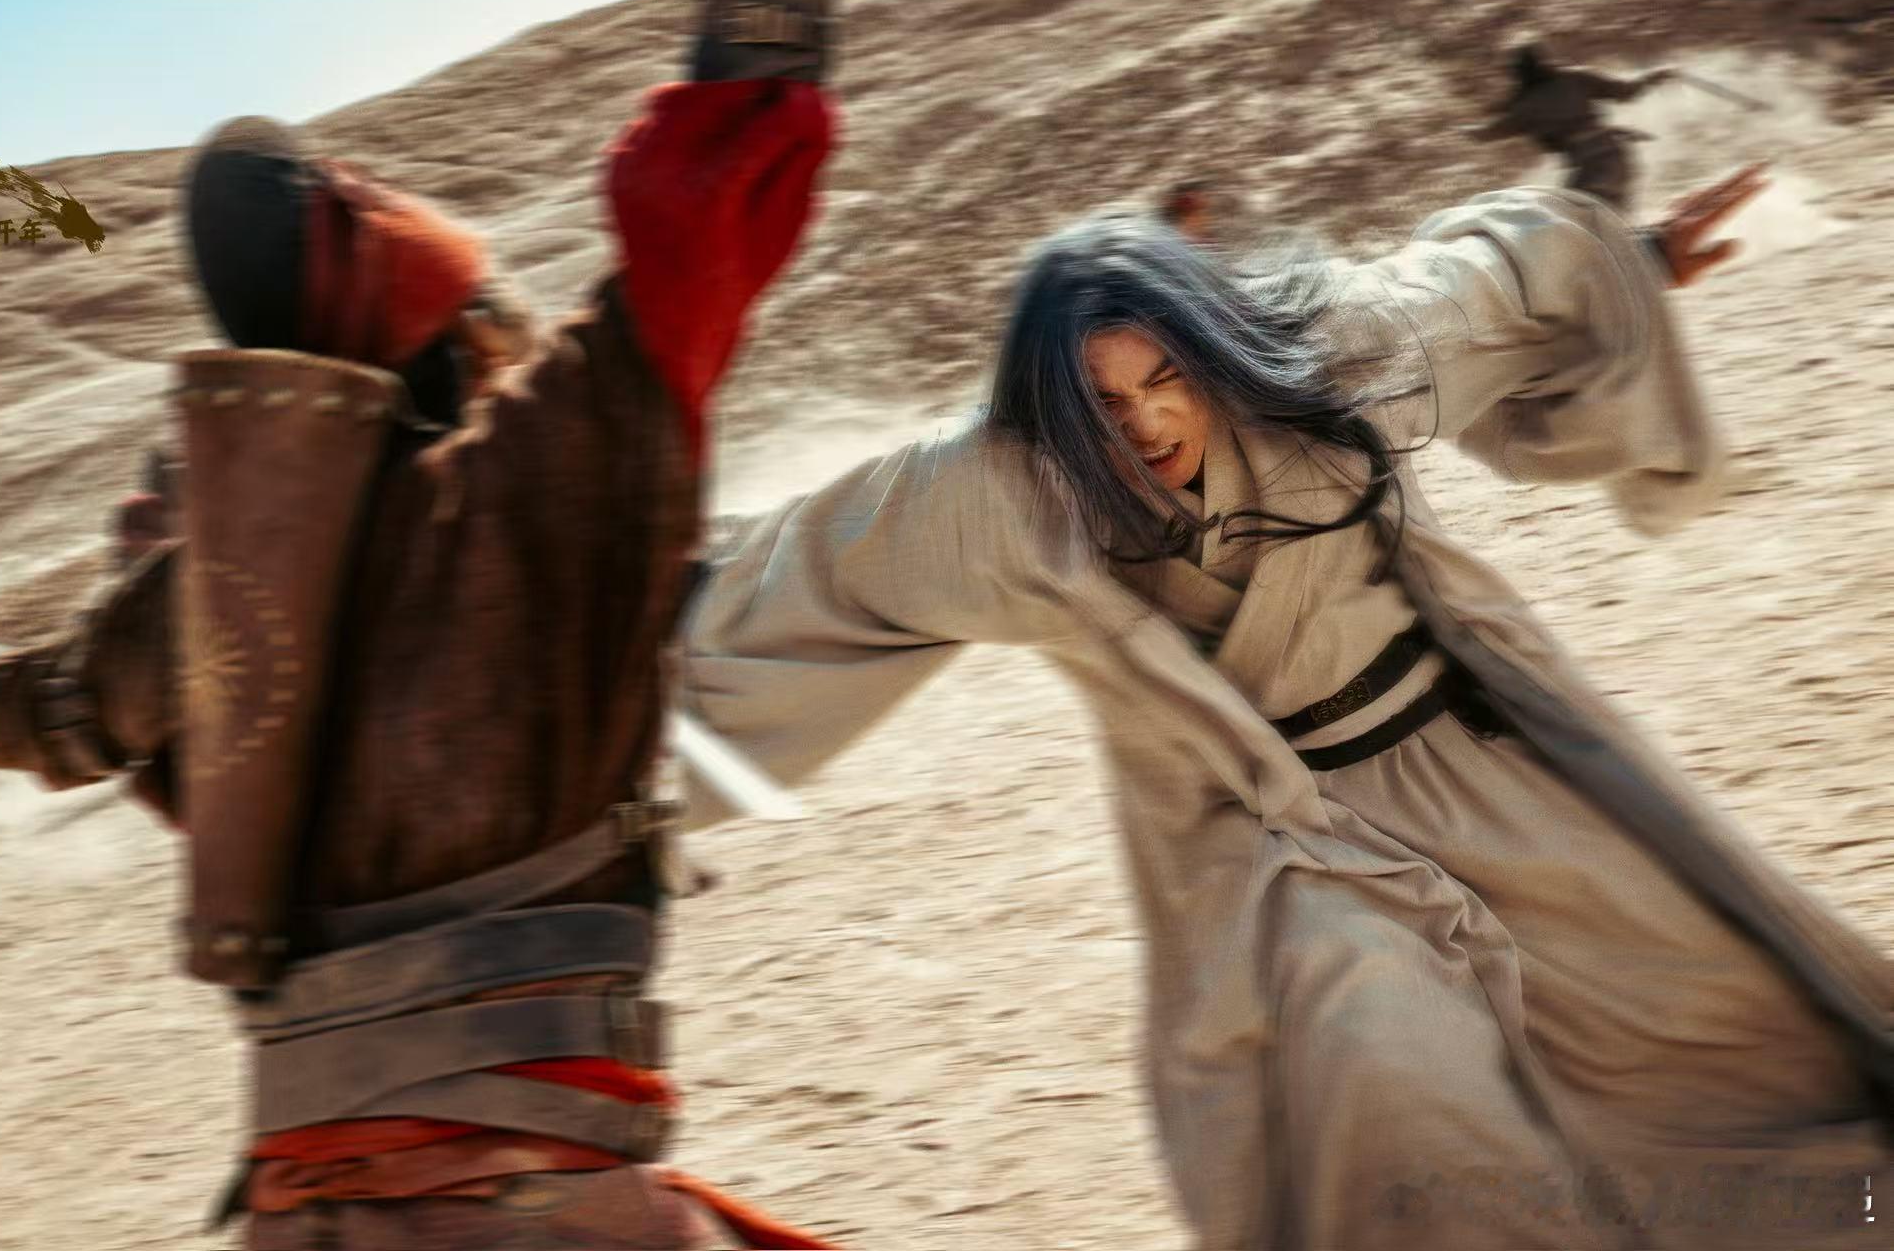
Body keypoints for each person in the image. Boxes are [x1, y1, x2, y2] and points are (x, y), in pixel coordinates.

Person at [0, 0, 841, 1247]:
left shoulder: (203, 598)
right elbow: (709, 200)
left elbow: (12, 708)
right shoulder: (553, 470)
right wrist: (764, 23)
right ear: (458, 322)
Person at [674, 165, 1892, 1249]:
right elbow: (806, 570)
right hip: (1277, 846)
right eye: (1103, 404)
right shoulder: (997, 494)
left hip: (1472, 768)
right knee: (1381, 1063)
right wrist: (621, 704)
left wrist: (1638, 260)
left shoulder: (1331, 361)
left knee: (1712, 1023)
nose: (1148, 423)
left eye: (1166, 379)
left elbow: (1496, 277)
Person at [1469, 42, 1676, 211]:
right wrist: (1654, 77)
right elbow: (1627, 91)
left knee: (1572, 220)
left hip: (1592, 168)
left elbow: (1485, 134)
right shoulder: (1574, 78)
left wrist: (1463, 131)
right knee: (1610, 222)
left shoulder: (1525, 109)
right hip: (1617, 156)